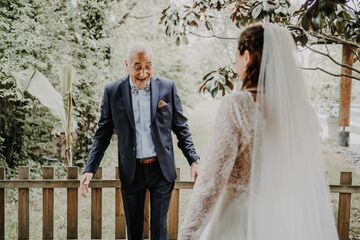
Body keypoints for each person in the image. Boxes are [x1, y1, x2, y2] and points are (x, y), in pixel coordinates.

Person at [179, 23, 339, 240]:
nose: (235, 61)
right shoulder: (304, 113)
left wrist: (188, 233)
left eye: (237, 54)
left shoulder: (238, 104)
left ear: (247, 56)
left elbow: (212, 180)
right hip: (286, 224)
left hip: (238, 223)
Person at [79, 41, 200, 240]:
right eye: (137, 67)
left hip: (160, 170)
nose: (143, 73)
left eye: (148, 67)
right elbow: (102, 134)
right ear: (126, 64)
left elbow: (181, 127)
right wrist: (89, 169)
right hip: (132, 170)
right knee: (134, 231)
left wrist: (193, 160)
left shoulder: (167, 88)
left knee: (159, 230)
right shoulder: (112, 92)